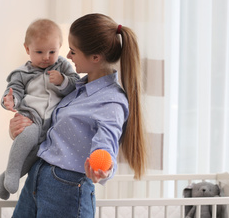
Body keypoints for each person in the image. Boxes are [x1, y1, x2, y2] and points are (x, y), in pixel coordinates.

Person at [8, 13, 147, 217]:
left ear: (96, 58)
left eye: (73, 51)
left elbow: (106, 144)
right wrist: (18, 129)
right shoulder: (75, 87)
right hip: (38, 177)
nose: (69, 57)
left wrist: (103, 168)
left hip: (66, 189)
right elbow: (47, 126)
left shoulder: (111, 101)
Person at [0, 19, 80, 200]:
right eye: (39, 52)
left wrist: (62, 81)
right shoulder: (21, 73)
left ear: (60, 47)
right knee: (25, 139)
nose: (46, 57)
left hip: (53, 123)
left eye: (52, 51)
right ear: (27, 49)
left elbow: (76, 85)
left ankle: (5, 178)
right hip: (31, 117)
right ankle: (11, 174)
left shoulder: (63, 66)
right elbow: (13, 92)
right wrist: (10, 101)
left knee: (36, 156)